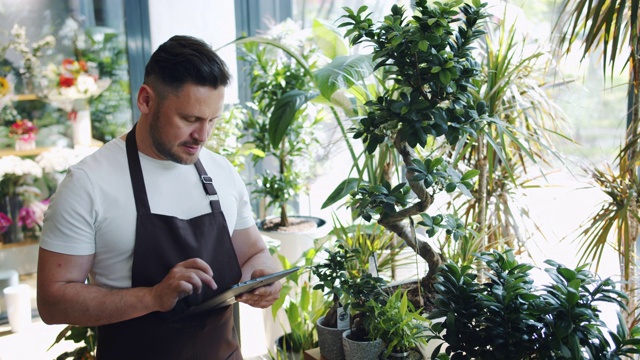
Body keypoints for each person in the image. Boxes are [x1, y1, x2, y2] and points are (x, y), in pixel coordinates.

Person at [36, 35, 282, 359]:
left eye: (212, 120)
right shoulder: (88, 184)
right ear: (146, 100)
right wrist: (152, 298)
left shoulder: (221, 172)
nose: (202, 136)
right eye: (190, 119)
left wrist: (266, 277)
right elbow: (52, 302)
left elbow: (255, 255)